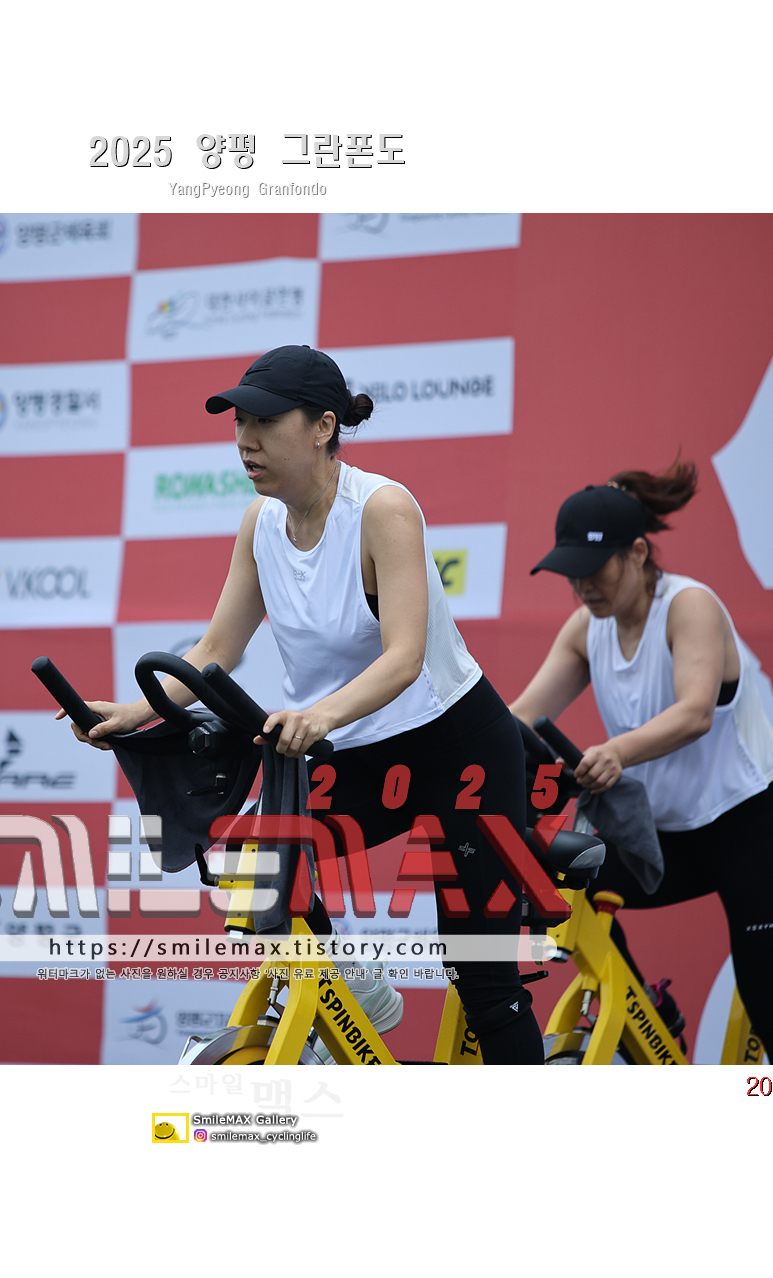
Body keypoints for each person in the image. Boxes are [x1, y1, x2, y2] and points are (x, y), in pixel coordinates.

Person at [60, 345, 542, 1064]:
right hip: (358, 750)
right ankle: (353, 988)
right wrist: (133, 712)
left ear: (323, 427)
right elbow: (217, 648)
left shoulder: (383, 509)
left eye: (264, 421)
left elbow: (405, 657)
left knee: (486, 985)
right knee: (252, 864)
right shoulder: (260, 522)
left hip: (459, 752)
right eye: (238, 422)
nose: (245, 439)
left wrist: (320, 716)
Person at [509, 461, 773, 1064]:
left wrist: (616, 751)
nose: (583, 586)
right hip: (665, 837)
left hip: (750, 829)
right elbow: (520, 717)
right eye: (571, 573)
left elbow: (695, 711)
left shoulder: (689, 606)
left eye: (595, 570)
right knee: (569, 885)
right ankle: (645, 1013)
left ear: (638, 553)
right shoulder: (586, 628)